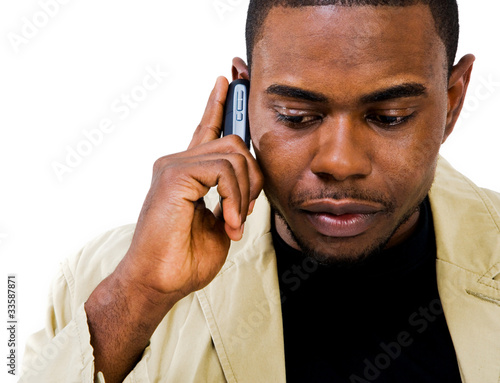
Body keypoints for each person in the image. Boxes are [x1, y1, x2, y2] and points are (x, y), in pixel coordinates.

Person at [20, 0, 500, 382]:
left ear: (454, 101)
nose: (340, 162)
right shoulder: (107, 277)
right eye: (296, 116)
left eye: (389, 117)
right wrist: (138, 295)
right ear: (243, 101)